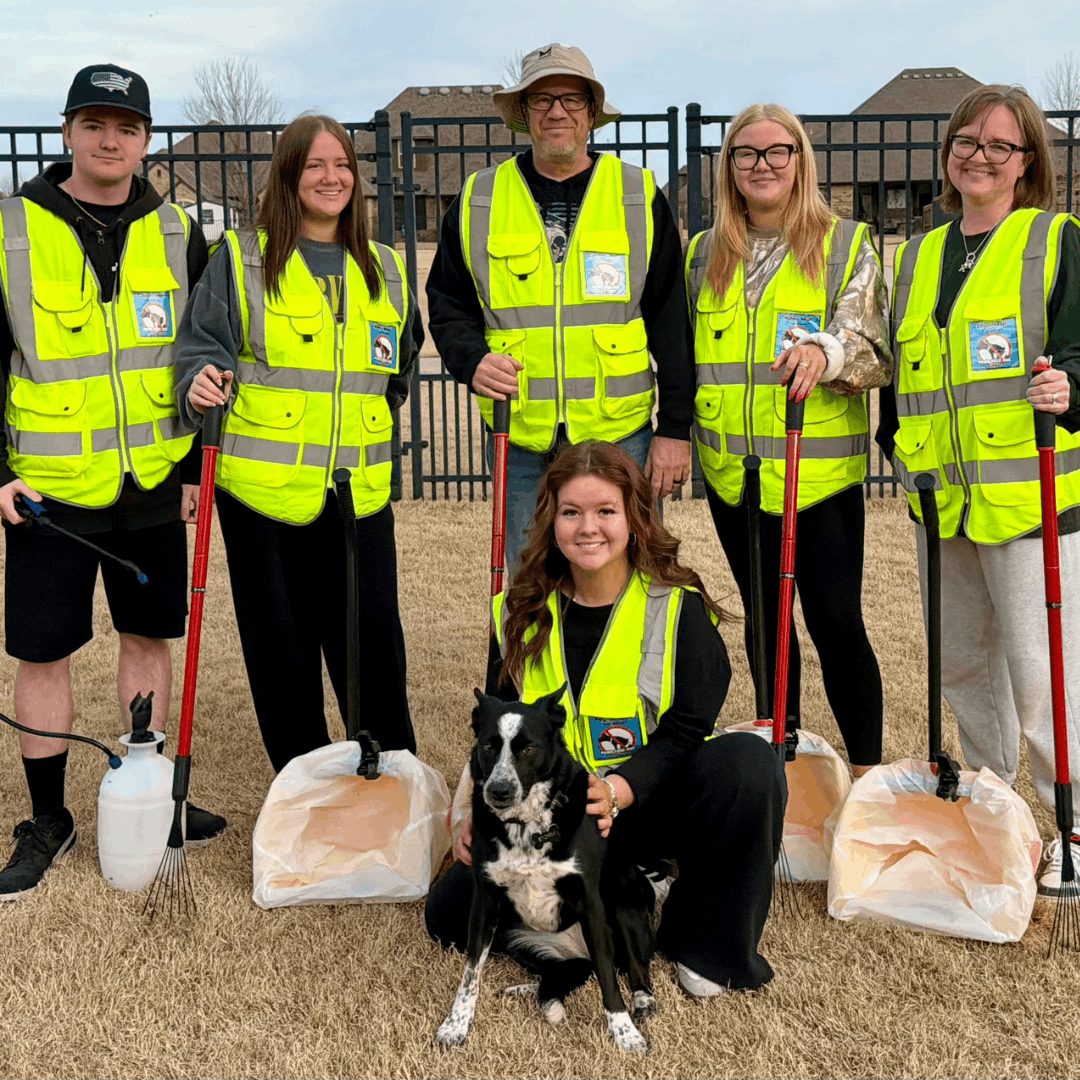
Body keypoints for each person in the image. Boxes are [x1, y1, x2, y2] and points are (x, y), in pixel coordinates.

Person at [425, 441, 786, 997]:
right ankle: (606, 915)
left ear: (635, 519)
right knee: (448, 913)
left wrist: (619, 790)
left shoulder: (676, 607)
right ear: (551, 523)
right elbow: (497, 734)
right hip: (557, 818)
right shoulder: (518, 611)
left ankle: (705, 944)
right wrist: (472, 814)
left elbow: (688, 729)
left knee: (749, 764)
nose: (588, 527)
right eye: (571, 512)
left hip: (649, 804)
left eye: (606, 511)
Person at [0, 64, 226, 901]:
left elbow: (198, 354)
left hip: (154, 482)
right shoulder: (12, 228)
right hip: (49, 491)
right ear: (67, 132)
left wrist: (194, 466)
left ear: (145, 140)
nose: (109, 140)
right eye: (93, 124)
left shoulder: (178, 232)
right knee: (43, 652)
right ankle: (47, 819)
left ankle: (150, 796)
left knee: (146, 639)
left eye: (126, 127)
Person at [876, 84, 1080, 895]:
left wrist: (1070, 385)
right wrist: (898, 443)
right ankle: (1000, 815)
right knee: (964, 671)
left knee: (1043, 678)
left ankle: (1072, 826)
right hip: (942, 502)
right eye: (967, 140)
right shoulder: (918, 255)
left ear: (1027, 161)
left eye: (1000, 144)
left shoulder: (1052, 239)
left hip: (1031, 501)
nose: (980, 156)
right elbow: (902, 371)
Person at [175, 114, 421, 774]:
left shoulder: (388, 269)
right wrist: (199, 380)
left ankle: (389, 780)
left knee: (374, 646)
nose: (331, 178)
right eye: (314, 165)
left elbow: (397, 369)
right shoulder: (242, 260)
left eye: (342, 165)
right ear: (288, 176)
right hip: (262, 500)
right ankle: (305, 786)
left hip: (359, 498)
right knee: (281, 654)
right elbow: (200, 347)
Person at [426, 43, 694, 575]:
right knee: (532, 579)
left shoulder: (636, 194)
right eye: (542, 99)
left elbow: (671, 319)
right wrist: (471, 359)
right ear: (523, 113)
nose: (557, 111)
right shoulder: (480, 198)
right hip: (522, 436)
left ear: (591, 112)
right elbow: (448, 303)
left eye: (571, 99)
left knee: (632, 574)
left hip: (622, 436)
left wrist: (675, 428)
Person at [686, 104, 891, 776]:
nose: (763, 165)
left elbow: (872, 347)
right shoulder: (703, 253)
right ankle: (785, 763)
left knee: (835, 623)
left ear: (801, 161)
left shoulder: (845, 244)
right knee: (765, 621)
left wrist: (826, 353)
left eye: (779, 151)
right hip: (734, 476)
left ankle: (864, 775)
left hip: (817, 477)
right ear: (728, 166)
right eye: (746, 153)